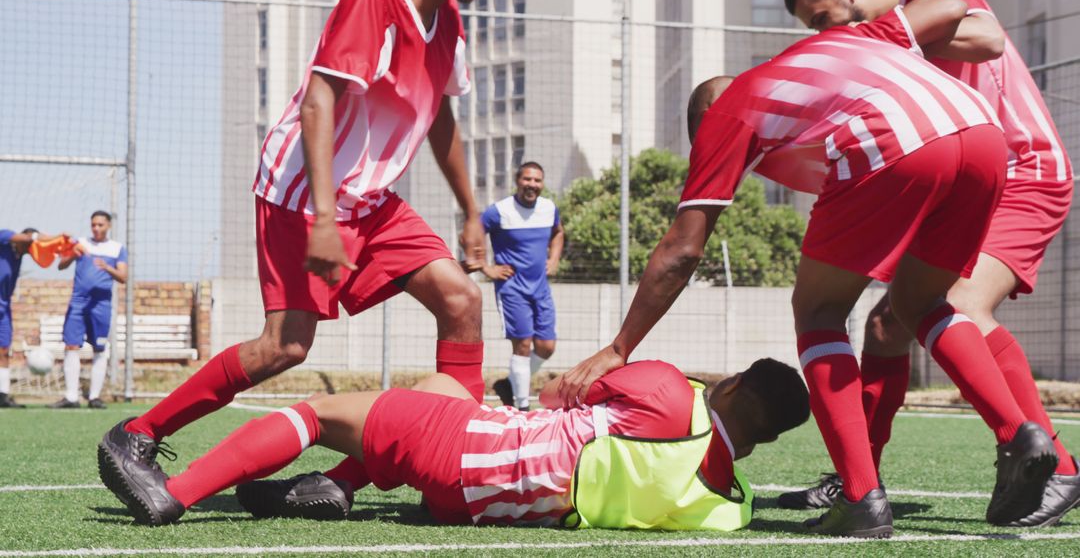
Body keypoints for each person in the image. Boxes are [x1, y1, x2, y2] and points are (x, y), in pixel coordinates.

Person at [561, 0, 1059, 538]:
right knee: (921, 303)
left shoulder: (725, 111)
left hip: (897, 140)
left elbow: (682, 251)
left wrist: (619, 348)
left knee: (819, 312)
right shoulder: (845, 43)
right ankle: (1016, 432)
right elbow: (952, 6)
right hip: (983, 135)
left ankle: (862, 497)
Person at [98, 0, 488, 505]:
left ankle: (347, 479)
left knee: (462, 300)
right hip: (303, 191)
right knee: (284, 347)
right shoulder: (376, 0)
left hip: (371, 200)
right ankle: (140, 432)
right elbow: (318, 98)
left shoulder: (451, 20)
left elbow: (438, 114)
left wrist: (472, 211)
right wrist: (325, 218)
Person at [781, 0, 1079, 528]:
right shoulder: (888, 27)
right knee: (886, 328)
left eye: (821, 18)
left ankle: (1058, 466)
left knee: (959, 303)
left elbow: (986, 37)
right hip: (961, 171)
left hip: (1021, 170)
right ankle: (859, 481)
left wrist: (871, 37)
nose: (823, 33)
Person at [103, 356, 809, 528]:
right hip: (479, 506)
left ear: (737, 385)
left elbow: (573, 391)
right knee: (444, 381)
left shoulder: (668, 390)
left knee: (318, 411)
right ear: (767, 436)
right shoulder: (729, 506)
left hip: (465, 451)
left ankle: (175, 493)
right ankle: (342, 485)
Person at [480, 162, 565, 410]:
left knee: (547, 347)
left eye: (537, 181)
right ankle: (522, 406)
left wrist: (554, 258)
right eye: (527, 179)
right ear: (517, 180)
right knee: (524, 345)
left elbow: (558, 232)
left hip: (540, 288)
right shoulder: (499, 211)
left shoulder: (549, 208)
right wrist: (486, 268)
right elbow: (474, 233)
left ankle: (508, 384)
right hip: (511, 288)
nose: (532, 185)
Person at [51, 211, 127, 410]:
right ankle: (71, 397)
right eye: (93, 224)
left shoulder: (117, 248)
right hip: (78, 302)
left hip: (101, 304)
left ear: (108, 226)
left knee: (99, 348)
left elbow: (123, 276)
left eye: (100, 225)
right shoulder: (81, 243)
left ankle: (94, 397)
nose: (96, 228)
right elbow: (61, 265)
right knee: (71, 346)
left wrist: (107, 268)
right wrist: (71, 256)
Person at [1, 228, 66, 408]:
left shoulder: (19, 256)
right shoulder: (5, 238)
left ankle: (2, 395)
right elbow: (26, 237)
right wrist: (54, 237)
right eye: (32, 244)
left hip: (4, 307)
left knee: (5, 350)